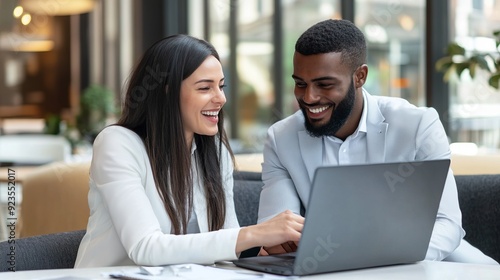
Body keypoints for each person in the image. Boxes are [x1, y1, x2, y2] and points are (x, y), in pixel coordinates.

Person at [257, 19, 498, 265]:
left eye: (324, 84)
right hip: (327, 267)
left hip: (433, 263)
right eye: (300, 84)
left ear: (360, 76)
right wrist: (280, 242)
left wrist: (375, 258)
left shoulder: (417, 126)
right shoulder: (280, 138)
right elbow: (277, 230)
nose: (309, 97)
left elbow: (447, 225)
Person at [74, 34, 304, 267]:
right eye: (205, 88)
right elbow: (145, 248)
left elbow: (227, 243)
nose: (221, 98)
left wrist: (260, 250)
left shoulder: (215, 152)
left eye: (221, 86)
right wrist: (254, 234)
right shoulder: (118, 144)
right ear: (167, 92)